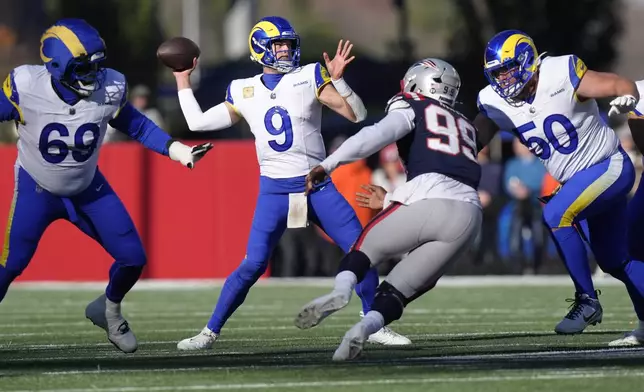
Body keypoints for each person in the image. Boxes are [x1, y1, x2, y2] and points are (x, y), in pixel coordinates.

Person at [172, 16, 409, 350]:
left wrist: (339, 82)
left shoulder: (308, 76)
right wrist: (183, 80)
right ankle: (209, 332)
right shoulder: (243, 89)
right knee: (253, 264)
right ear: (259, 49)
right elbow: (196, 122)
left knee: (362, 251)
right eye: (277, 44)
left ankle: (374, 322)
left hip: (317, 184)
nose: (284, 50)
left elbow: (354, 114)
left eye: (287, 44)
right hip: (275, 188)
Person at [0, 19, 211, 353]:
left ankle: (109, 311)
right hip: (37, 188)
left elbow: (137, 126)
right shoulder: (26, 85)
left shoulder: (109, 86)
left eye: (97, 67)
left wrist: (178, 150)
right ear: (56, 67)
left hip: (87, 187)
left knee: (132, 258)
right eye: (84, 68)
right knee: (11, 265)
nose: (94, 76)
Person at [293, 58, 482, 361]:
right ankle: (363, 330)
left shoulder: (412, 104)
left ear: (418, 82)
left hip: (428, 198)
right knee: (397, 291)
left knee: (362, 252)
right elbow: (451, 173)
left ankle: (341, 291)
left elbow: (375, 136)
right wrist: (394, 195)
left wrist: (328, 164)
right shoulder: (465, 124)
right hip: (469, 215)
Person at [474, 29, 644, 336]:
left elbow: (620, 83)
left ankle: (587, 299)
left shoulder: (560, 73)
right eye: (497, 74)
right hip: (580, 184)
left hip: (610, 166)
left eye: (508, 69)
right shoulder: (494, 102)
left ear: (526, 60)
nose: (503, 80)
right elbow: (472, 141)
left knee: (555, 215)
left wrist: (626, 98)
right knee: (615, 259)